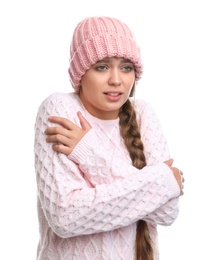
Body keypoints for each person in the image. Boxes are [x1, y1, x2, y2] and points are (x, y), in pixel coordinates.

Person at [34, 16, 184, 260]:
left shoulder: (143, 113)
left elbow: (167, 211)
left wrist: (87, 152)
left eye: (126, 67)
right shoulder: (60, 108)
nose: (116, 80)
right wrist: (159, 182)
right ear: (80, 72)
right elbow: (65, 217)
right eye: (102, 66)